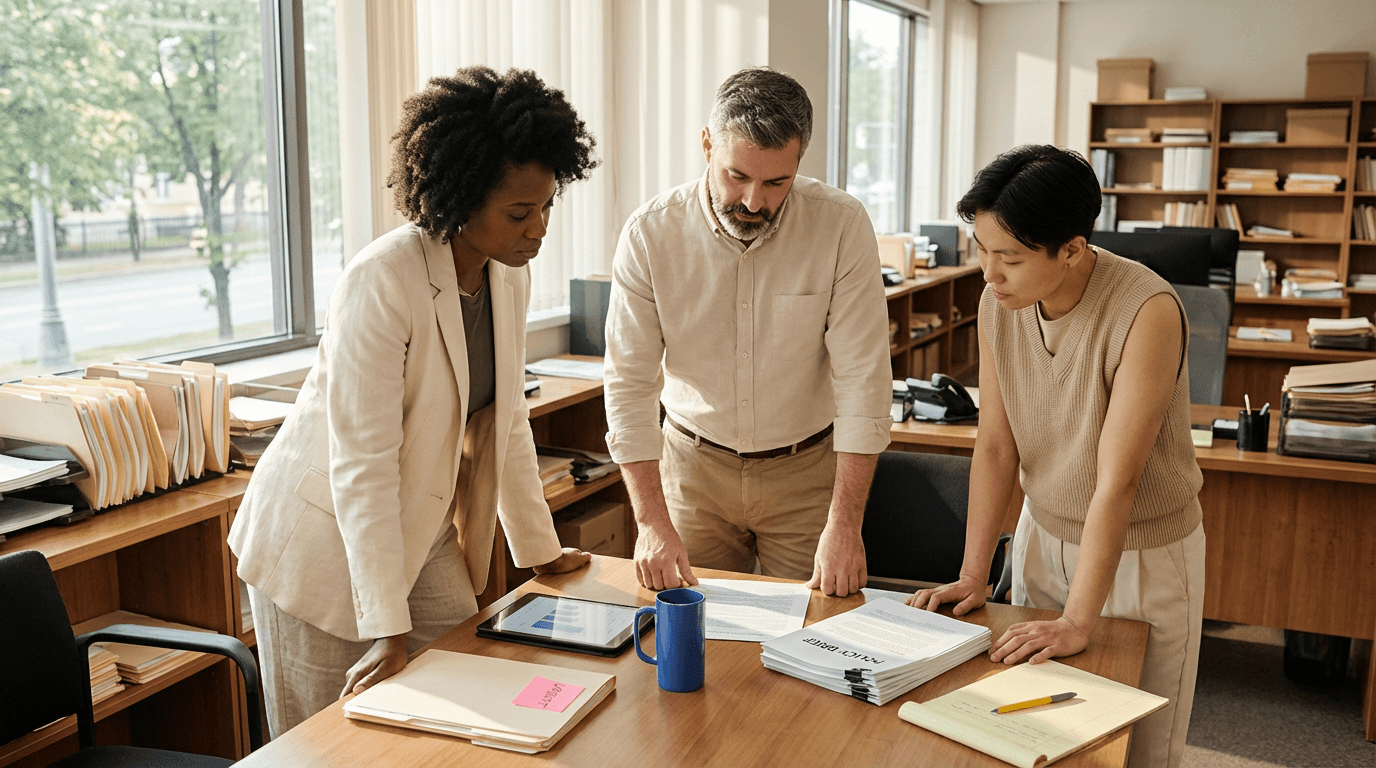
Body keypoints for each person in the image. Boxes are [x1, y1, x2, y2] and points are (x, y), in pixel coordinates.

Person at [228, 66, 599, 737]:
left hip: (420, 532)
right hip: (325, 539)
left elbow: (506, 422)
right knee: (331, 741)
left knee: (464, 698)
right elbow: (362, 466)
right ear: (460, 197)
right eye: (520, 212)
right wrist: (386, 629)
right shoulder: (382, 281)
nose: (538, 228)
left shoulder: (507, 276)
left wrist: (541, 551)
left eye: (547, 207)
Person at [909, 145, 1205, 768]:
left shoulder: (1144, 310)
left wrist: (1077, 621)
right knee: (1036, 739)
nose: (989, 274)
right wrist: (973, 573)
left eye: (1008, 258)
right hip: (1040, 539)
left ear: (1071, 249)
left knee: (1137, 750)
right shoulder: (999, 304)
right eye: (982, 250)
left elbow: (1116, 483)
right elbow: (994, 446)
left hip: (1139, 555)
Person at [603, 67, 891, 597]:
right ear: (708, 144)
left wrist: (845, 525)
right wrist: (649, 521)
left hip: (805, 472)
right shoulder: (651, 234)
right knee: (693, 634)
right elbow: (628, 385)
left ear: (800, 159)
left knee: (814, 634)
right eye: (737, 175)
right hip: (693, 471)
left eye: (776, 182)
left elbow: (864, 381)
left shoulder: (841, 225)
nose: (754, 201)